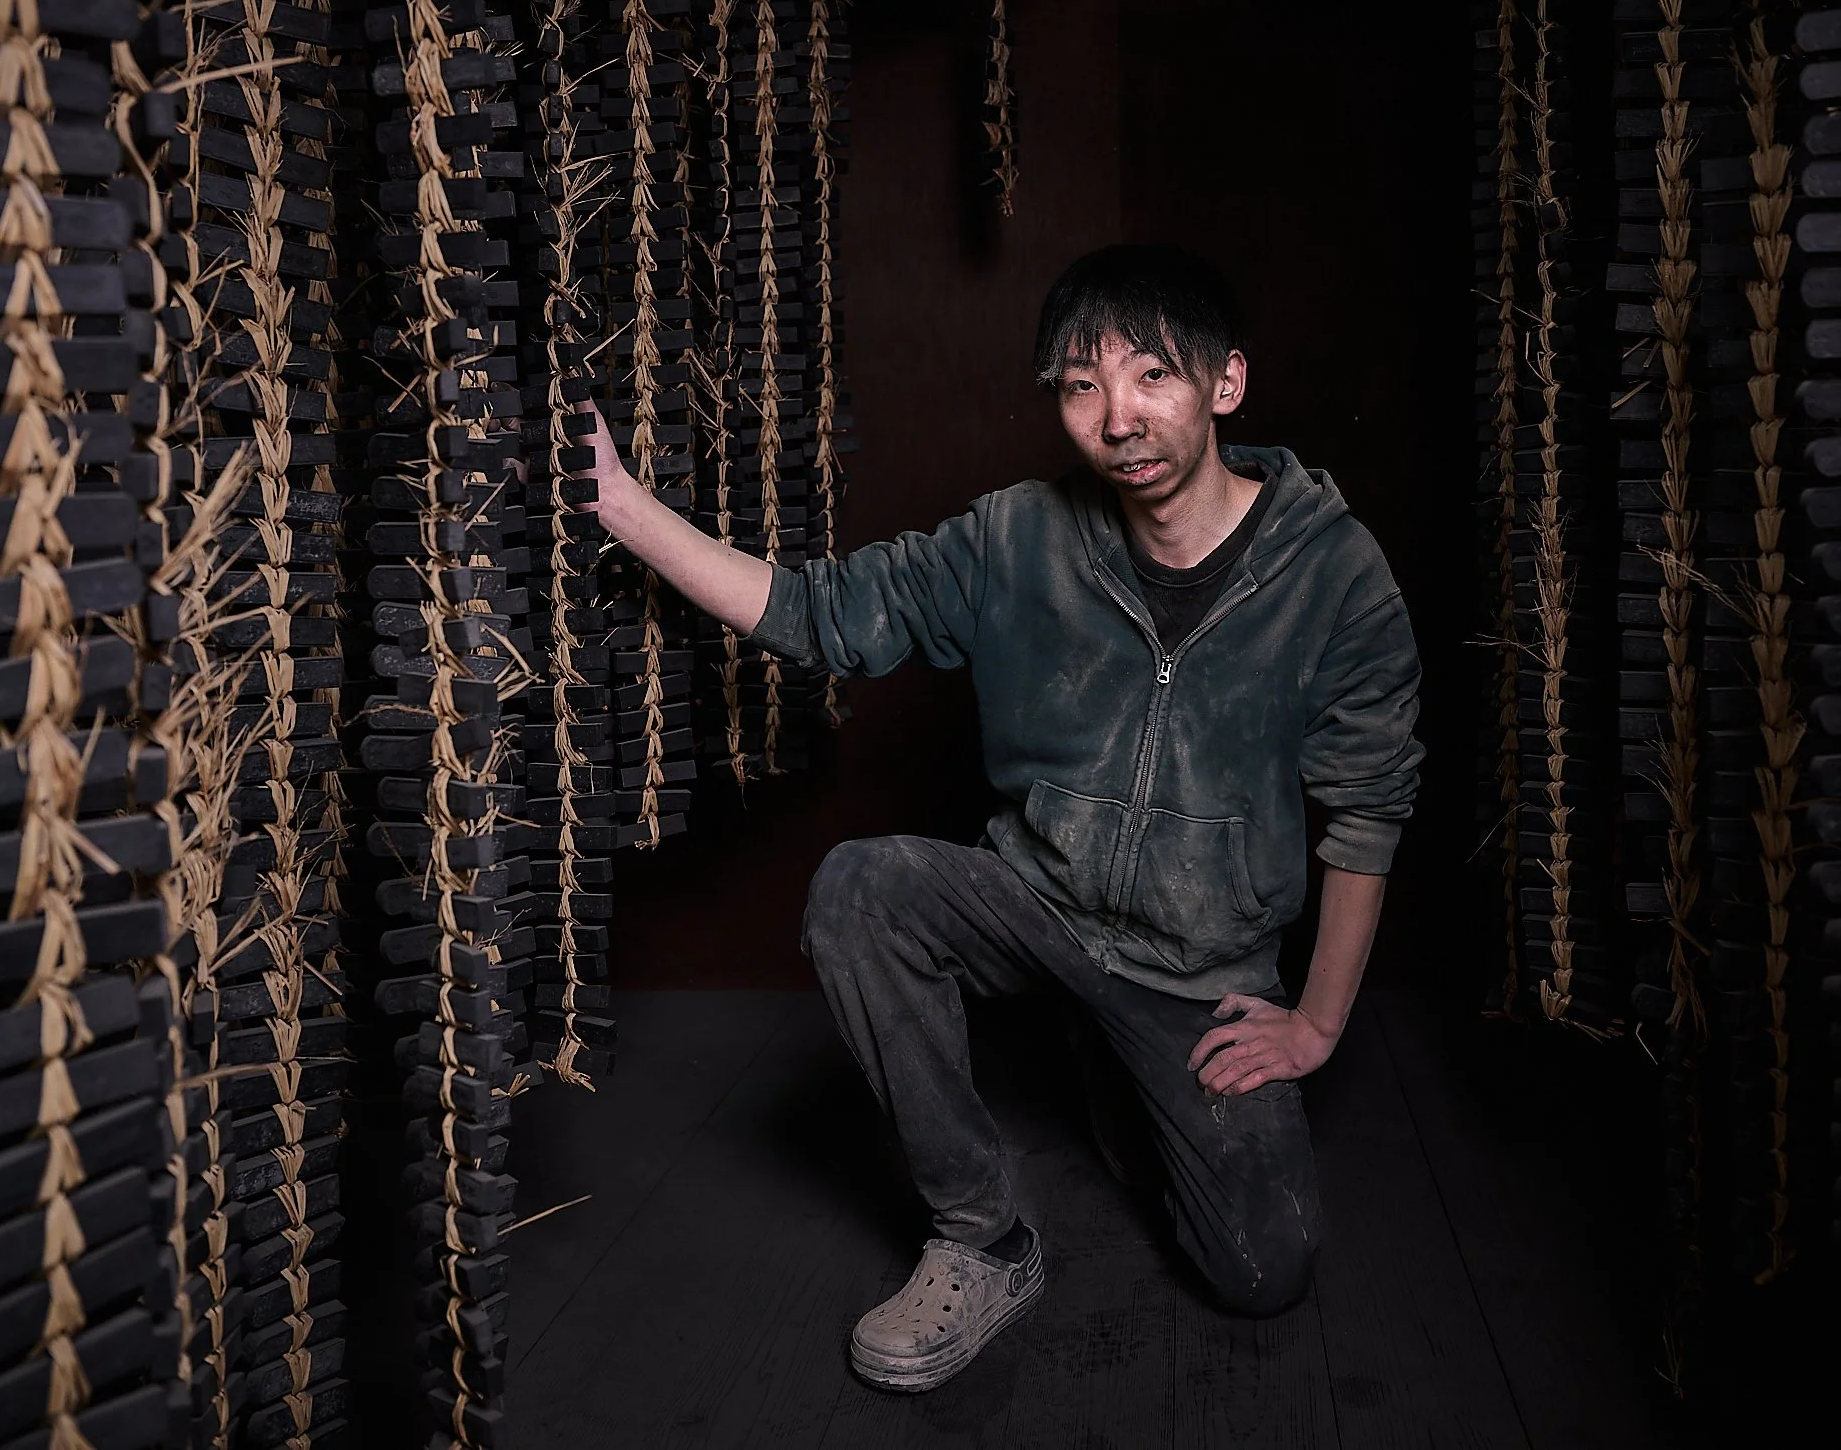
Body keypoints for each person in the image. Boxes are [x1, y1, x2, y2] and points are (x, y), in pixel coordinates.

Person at [584, 244, 1424, 1392]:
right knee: (861, 889)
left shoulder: (1336, 575)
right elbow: (828, 615)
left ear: (1225, 383)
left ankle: (1111, 1058)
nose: (1117, 419)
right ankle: (982, 1235)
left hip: (1197, 967)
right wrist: (623, 509)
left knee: (1261, 1268)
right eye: (1082, 386)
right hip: (1035, 902)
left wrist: (1316, 1024)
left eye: (1152, 376)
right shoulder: (1017, 538)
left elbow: (1368, 808)